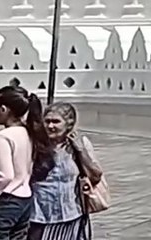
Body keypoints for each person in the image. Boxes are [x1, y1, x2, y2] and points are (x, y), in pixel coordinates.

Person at [0, 86, 52, 240]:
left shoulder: (2, 137)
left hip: (5, 200)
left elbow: (5, 176)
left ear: (3, 109)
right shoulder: (30, 133)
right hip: (25, 200)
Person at [28, 103, 104, 240]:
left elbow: (95, 176)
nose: (50, 126)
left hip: (71, 214)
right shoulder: (35, 145)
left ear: (69, 124)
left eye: (56, 122)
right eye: (47, 121)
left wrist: (80, 150)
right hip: (39, 217)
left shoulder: (79, 144)